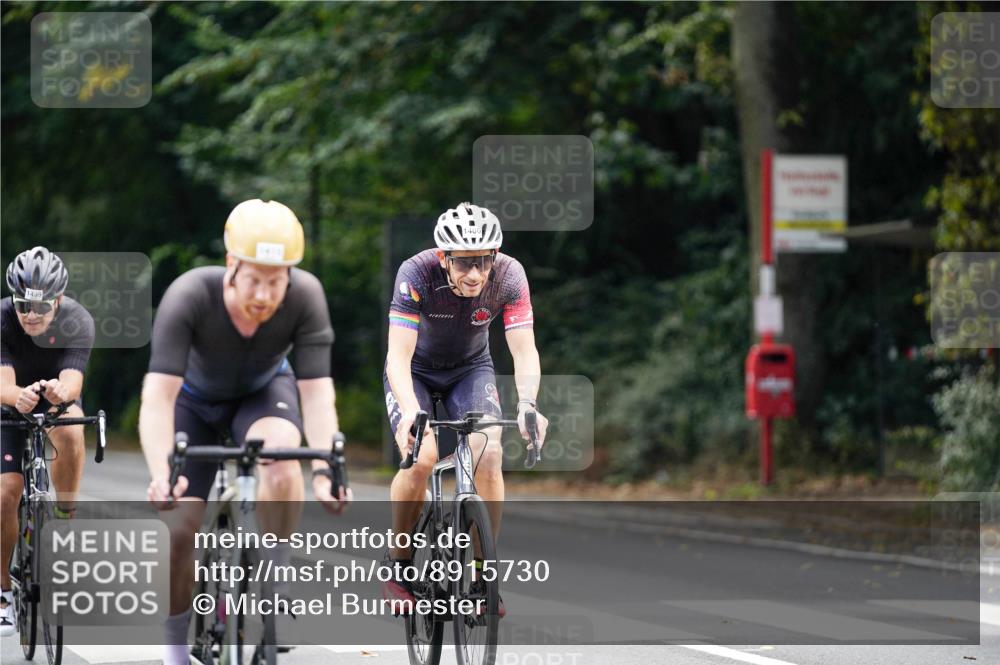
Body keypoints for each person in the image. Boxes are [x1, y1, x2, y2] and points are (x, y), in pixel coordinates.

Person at [139, 199, 350, 665]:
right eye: (254, 279)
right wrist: (161, 472)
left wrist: (323, 470)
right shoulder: (190, 293)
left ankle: (274, 579)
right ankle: (176, 644)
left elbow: (315, 396)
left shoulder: (306, 297)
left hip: (262, 394)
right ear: (231, 265)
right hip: (192, 404)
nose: (264, 295)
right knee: (179, 532)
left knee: (281, 459)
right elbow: (158, 397)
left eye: (276, 282)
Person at [382, 202, 549, 616]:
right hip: (415, 372)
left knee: (489, 453)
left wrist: (529, 403)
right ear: (444, 258)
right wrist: (408, 410)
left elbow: (524, 351)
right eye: (464, 263)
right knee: (421, 459)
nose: (475, 274)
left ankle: (481, 574)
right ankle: (398, 565)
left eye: (483, 261)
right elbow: (397, 357)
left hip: (471, 370)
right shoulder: (416, 272)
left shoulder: (510, 276)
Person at [1, 246, 95, 637]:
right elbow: (3, 382)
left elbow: (73, 381)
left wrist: (60, 392)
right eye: (24, 305)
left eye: (42, 306)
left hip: (57, 398)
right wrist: (15, 396)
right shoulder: (3, 319)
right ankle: (2, 595)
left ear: (58, 300)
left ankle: (64, 518)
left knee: (72, 426)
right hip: (10, 402)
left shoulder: (78, 320)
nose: (32, 315)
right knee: (6, 492)